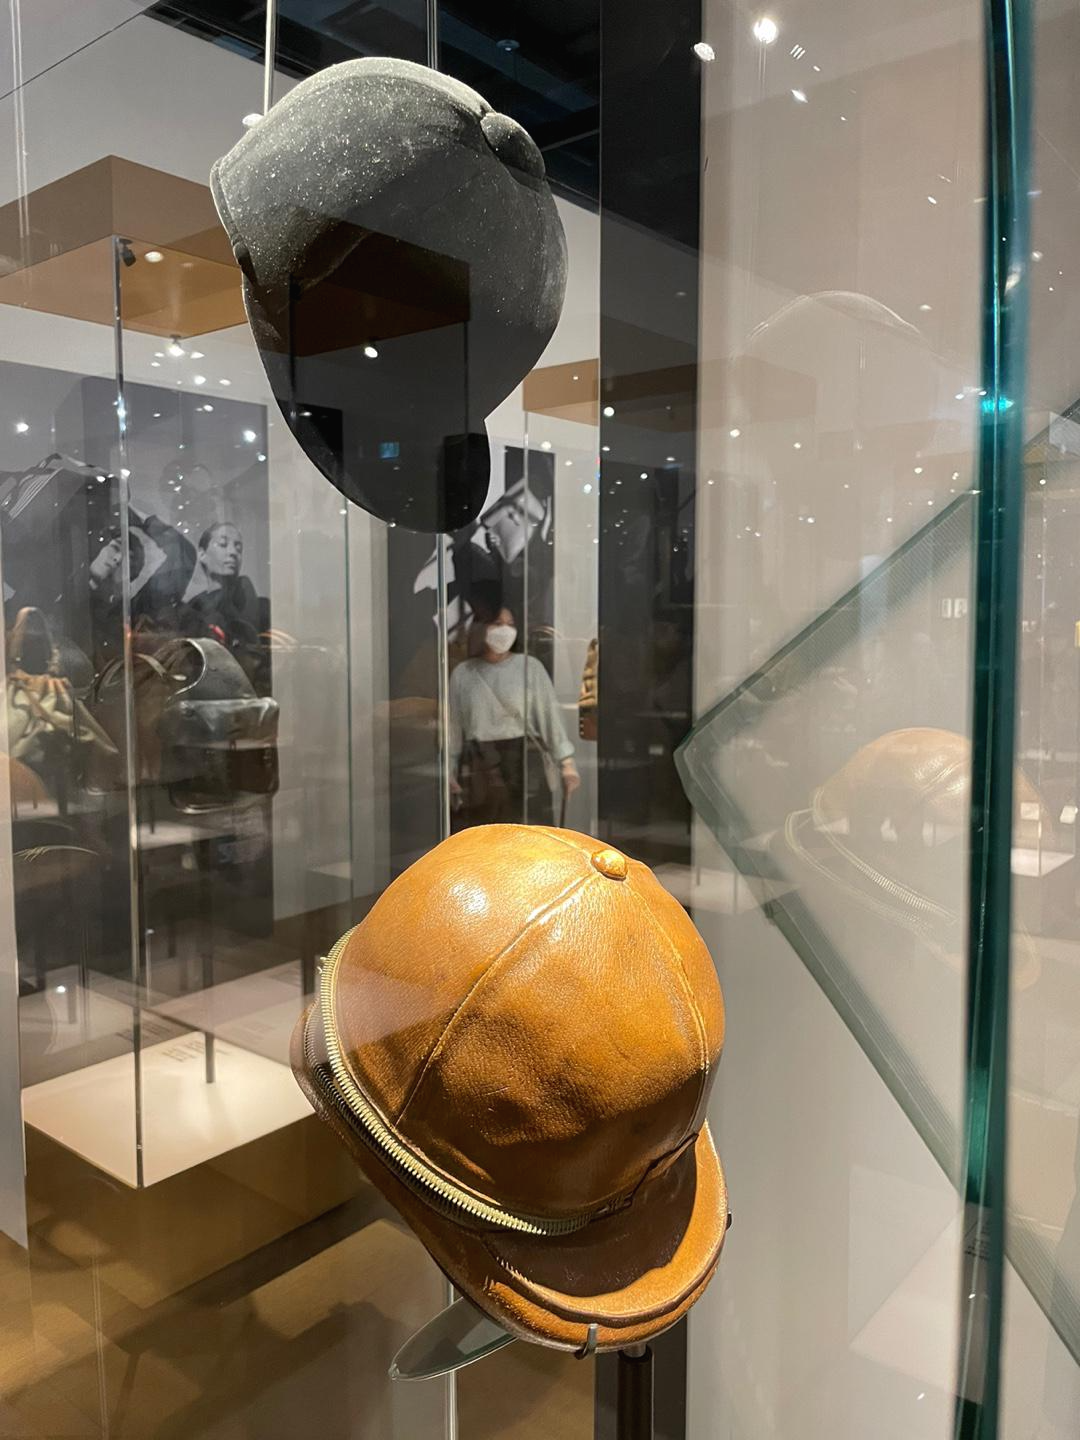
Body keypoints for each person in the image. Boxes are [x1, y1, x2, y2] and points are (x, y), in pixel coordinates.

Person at [449, 604, 579, 828]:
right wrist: (449, 768)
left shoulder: (530, 667)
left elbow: (549, 717)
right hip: (479, 762)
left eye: (510, 625)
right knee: (483, 834)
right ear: (481, 628)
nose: (505, 630)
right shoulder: (463, 673)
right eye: (497, 624)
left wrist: (566, 763)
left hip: (522, 759)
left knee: (529, 832)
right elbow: (453, 726)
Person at [184, 521, 270, 692]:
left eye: (238, 548)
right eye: (223, 545)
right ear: (202, 554)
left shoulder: (257, 604)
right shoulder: (193, 608)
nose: (232, 552)